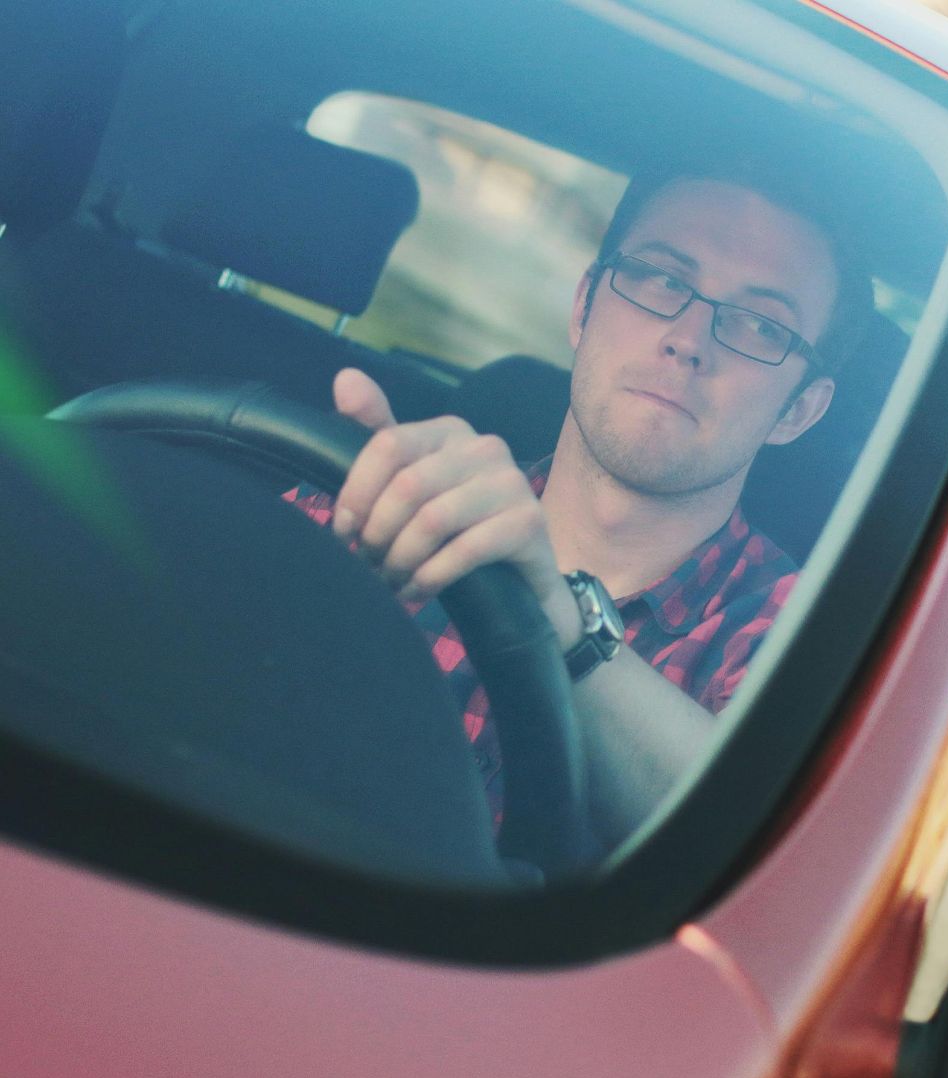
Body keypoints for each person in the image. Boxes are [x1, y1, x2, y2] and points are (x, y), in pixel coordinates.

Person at [289, 170, 868, 852]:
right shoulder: (389, 498)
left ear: (798, 409)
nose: (689, 339)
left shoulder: (812, 645)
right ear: (585, 306)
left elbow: (762, 859)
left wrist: (565, 626)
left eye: (761, 325)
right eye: (662, 280)